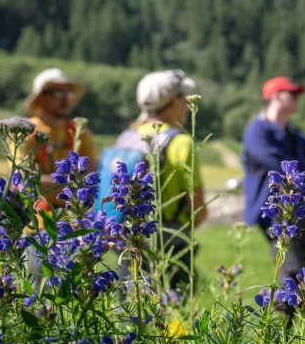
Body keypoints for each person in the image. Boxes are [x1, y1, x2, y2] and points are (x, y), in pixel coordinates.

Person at [101, 69, 207, 290]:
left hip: (127, 241)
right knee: (175, 315)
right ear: (175, 101)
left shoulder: (126, 137)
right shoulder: (181, 143)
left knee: (132, 309)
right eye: (184, 97)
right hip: (171, 246)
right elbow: (198, 210)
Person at [241, 76, 305, 280]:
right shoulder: (257, 131)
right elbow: (276, 164)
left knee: (300, 266)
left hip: (299, 207)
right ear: (275, 97)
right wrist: (301, 173)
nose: (296, 98)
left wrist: (302, 169)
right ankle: (284, 308)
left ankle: (293, 308)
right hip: (274, 209)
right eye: (291, 94)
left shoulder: (292, 133)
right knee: (290, 266)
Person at [19, 67, 99, 215]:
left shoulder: (81, 133)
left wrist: (49, 185)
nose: (65, 99)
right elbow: (25, 183)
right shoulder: (26, 133)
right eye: (57, 93)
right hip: (33, 221)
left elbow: (95, 176)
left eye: (68, 93)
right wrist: (76, 186)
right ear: (41, 98)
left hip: (76, 219)